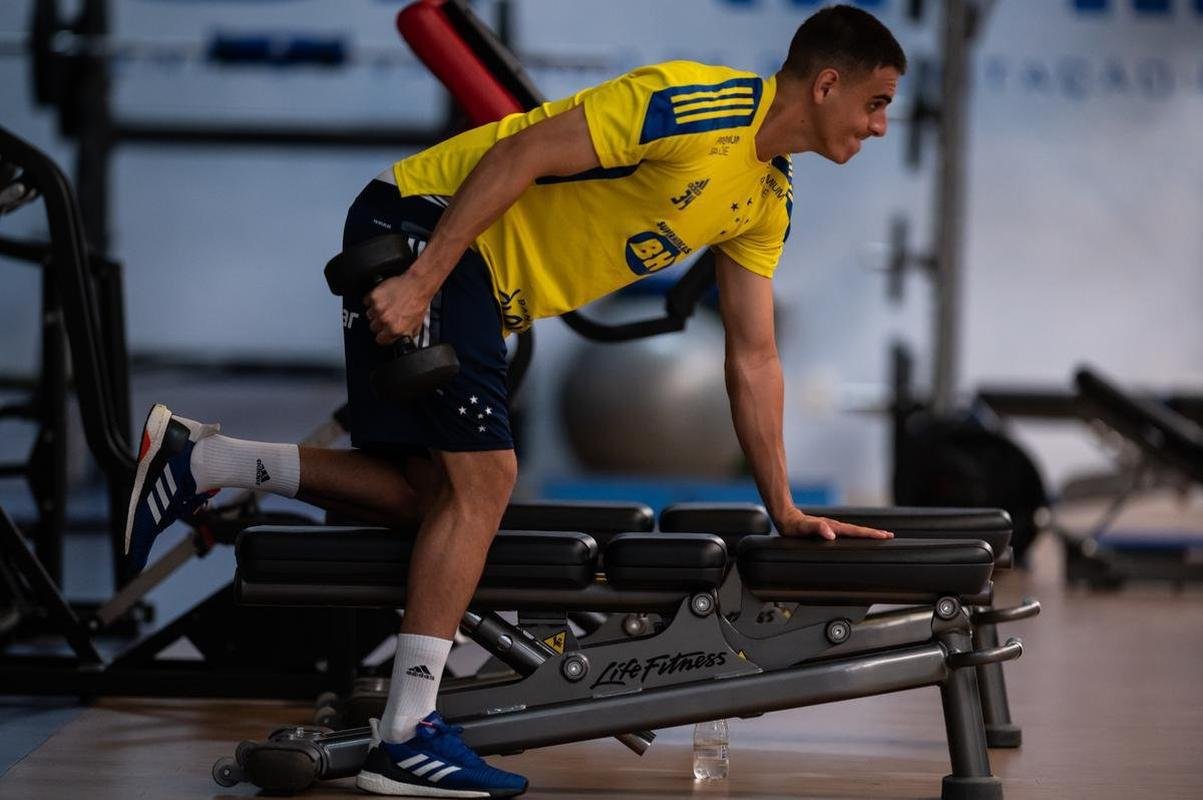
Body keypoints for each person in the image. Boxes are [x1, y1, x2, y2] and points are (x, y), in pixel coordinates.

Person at [122, 5, 906, 797]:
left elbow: (754, 355)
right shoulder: (696, 105)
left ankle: (206, 459)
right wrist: (421, 277)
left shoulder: (766, 197)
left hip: (481, 286)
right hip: (424, 223)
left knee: (427, 497)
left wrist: (783, 505)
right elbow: (521, 152)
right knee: (487, 479)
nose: (879, 126)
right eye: (875, 103)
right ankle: (405, 736)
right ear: (826, 83)